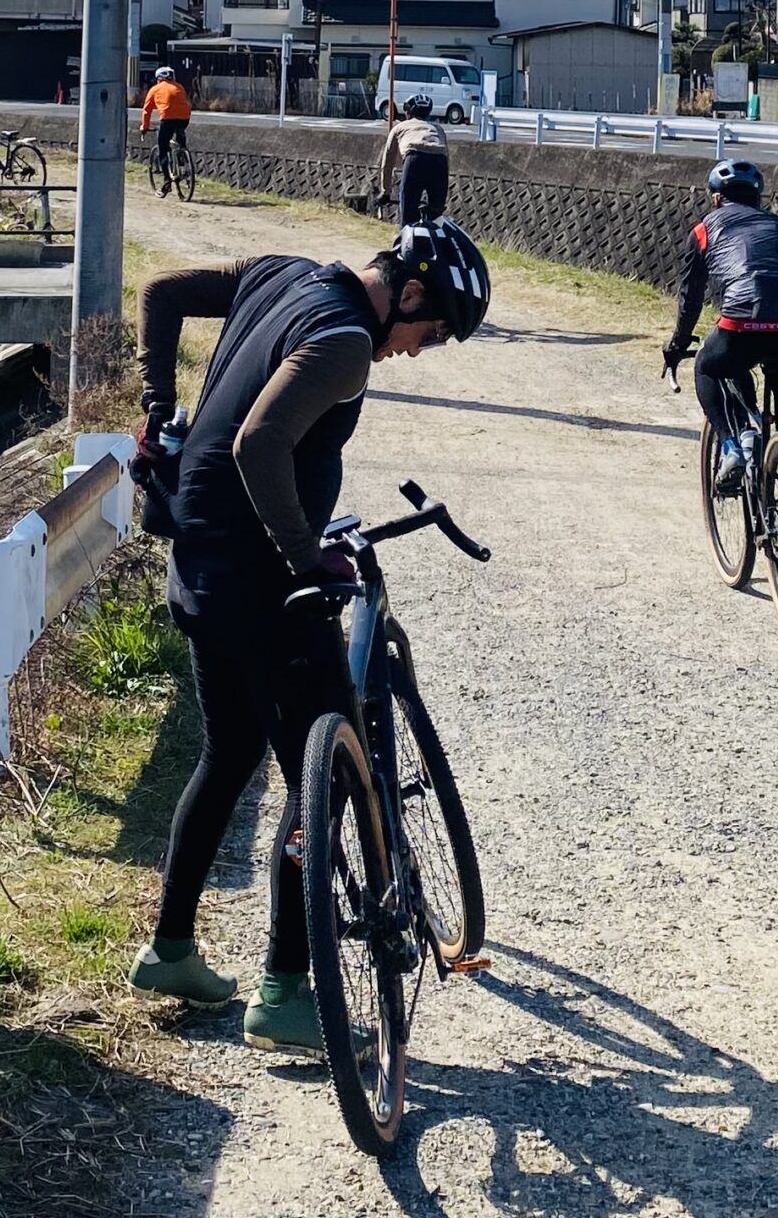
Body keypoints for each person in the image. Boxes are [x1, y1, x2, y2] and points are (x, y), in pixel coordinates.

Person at [126, 217, 493, 1046]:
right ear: (408, 294)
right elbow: (260, 443)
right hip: (260, 583)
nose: (419, 351)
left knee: (228, 752)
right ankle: (284, 992)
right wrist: (306, 555)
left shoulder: (281, 272)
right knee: (321, 775)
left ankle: (170, 949)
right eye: (432, 332)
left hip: (199, 559)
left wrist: (158, 408)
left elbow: (161, 293)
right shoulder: (347, 344)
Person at [659, 159, 778, 493]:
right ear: (758, 198)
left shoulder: (703, 230)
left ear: (716, 198)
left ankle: (732, 446)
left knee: (708, 365)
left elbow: (690, 298)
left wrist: (678, 344)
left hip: (742, 321)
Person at [374, 95, 450, 224]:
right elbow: (446, 158)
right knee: (436, 217)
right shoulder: (438, 129)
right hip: (439, 163)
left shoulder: (400, 127)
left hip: (415, 160)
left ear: (409, 112)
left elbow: (388, 161)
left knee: (408, 215)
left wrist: (385, 191)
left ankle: (408, 232)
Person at [139, 65, 192, 175]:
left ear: (158, 78)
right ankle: (183, 162)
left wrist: (145, 127)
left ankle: (167, 179)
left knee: (163, 146)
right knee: (180, 136)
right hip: (184, 118)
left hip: (168, 119)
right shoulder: (179, 87)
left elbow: (147, 110)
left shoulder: (155, 89)